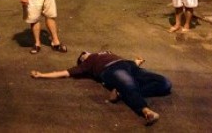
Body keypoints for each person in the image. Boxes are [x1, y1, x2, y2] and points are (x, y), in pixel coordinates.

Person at [30, 50, 172, 126]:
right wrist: (42, 74)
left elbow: (124, 61)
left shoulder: (106, 53)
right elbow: (65, 72)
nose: (85, 52)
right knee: (129, 85)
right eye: (83, 55)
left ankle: (123, 94)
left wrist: (137, 61)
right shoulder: (86, 64)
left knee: (165, 83)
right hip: (110, 70)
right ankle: (146, 111)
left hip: (128, 64)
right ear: (82, 60)